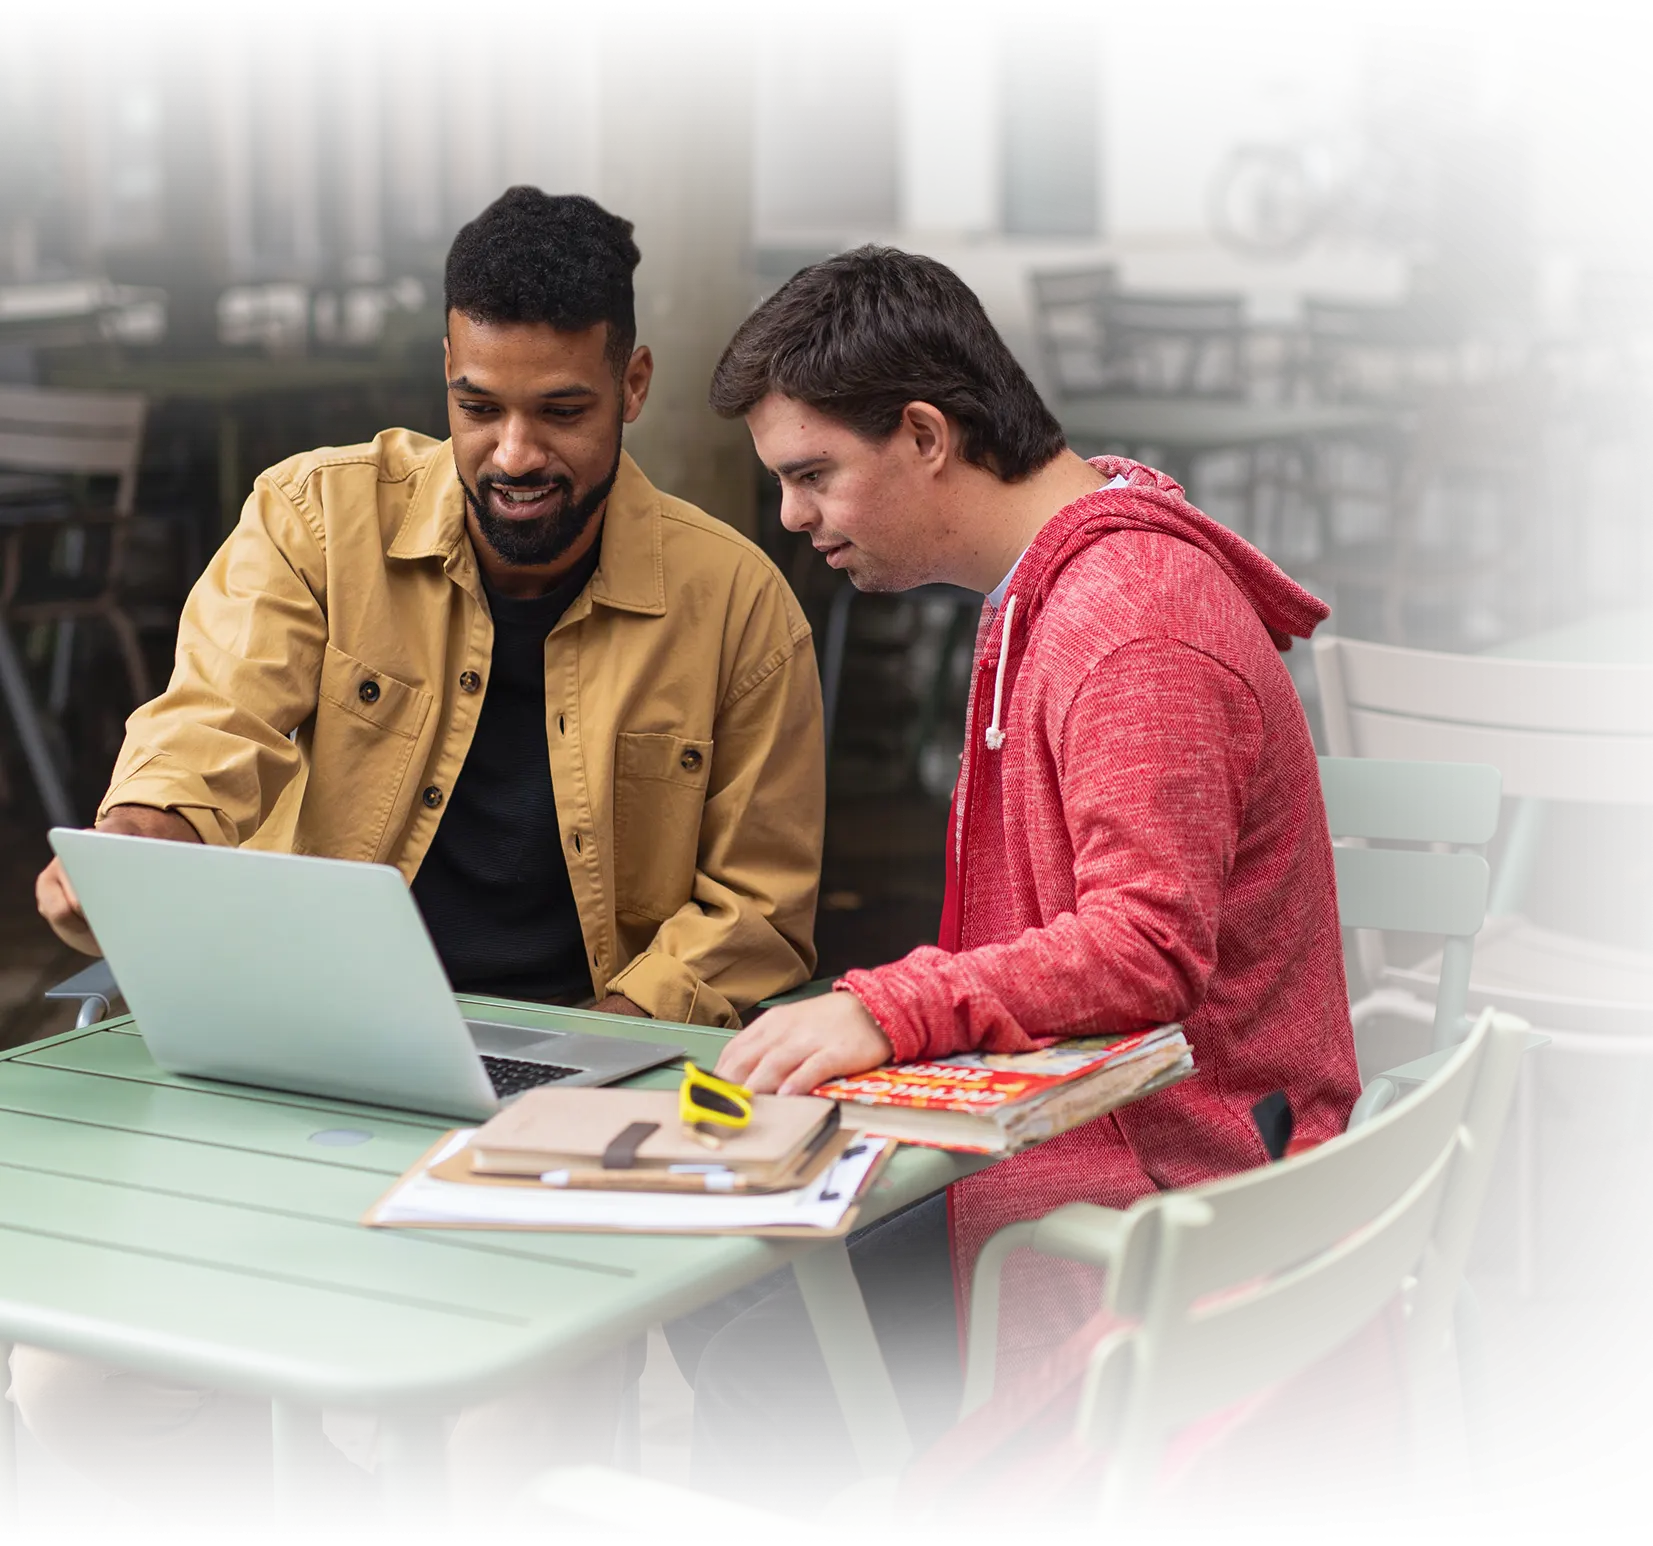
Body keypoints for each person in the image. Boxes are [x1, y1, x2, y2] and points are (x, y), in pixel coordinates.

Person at [19, 188, 824, 1543]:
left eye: (561, 411)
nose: (513, 451)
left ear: (632, 384)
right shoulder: (315, 520)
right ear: (441, 380)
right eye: (476, 405)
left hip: (571, 1100)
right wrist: (151, 829)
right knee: (71, 1386)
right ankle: (360, 1524)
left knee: (524, 1390)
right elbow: (211, 721)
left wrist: (600, 1057)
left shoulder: (736, 603)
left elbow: (757, 916)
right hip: (311, 1073)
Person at [663, 246, 1362, 1522]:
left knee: (763, 1380)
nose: (793, 517)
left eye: (812, 475)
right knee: (726, 1278)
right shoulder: (1062, 581)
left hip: (1169, 1186)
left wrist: (885, 1008)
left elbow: (1145, 951)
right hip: (1112, 1135)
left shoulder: (1129, 623)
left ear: (924, 433)